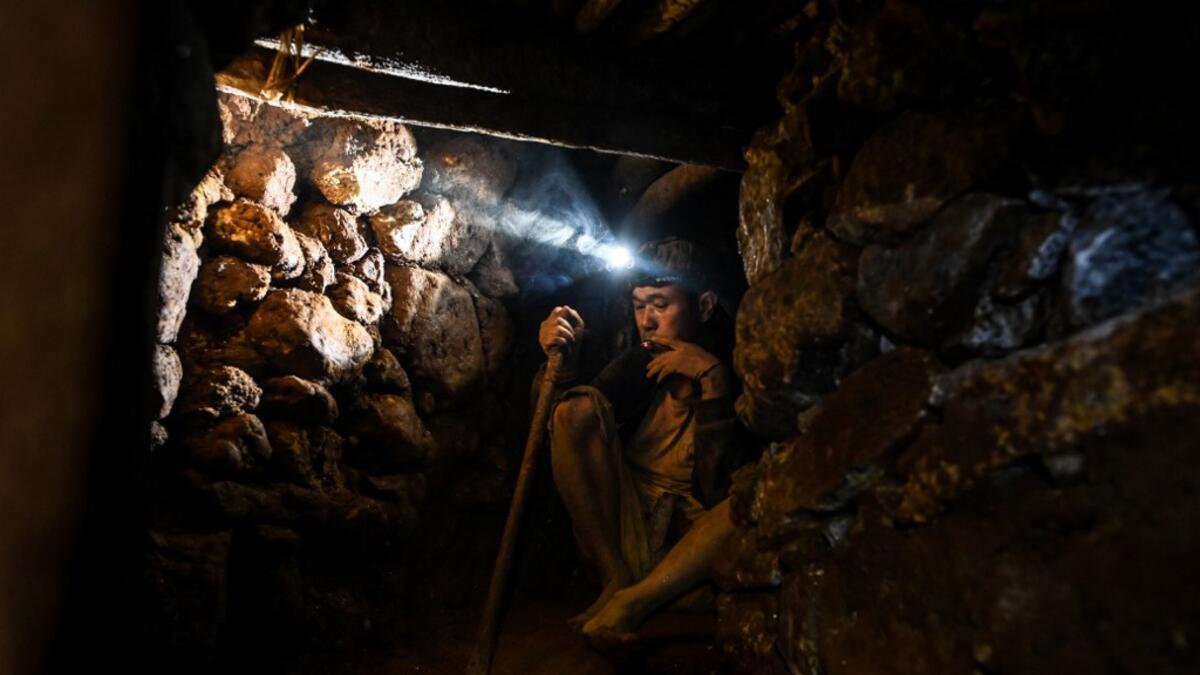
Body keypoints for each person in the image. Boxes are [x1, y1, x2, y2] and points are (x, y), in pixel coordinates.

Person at [534, 238, 749, 646]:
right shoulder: (633, 365)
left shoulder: (737, 369)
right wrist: (559, 367)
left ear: (703, 307)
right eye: (638, 305)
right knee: (574, 409)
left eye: (661, 304)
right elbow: (562, 437)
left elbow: (722, 489)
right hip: (622, 527)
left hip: (689, 546)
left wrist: (713, 383)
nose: (646, 320)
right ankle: (617, 580)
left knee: (747, 500)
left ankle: (633, 604)